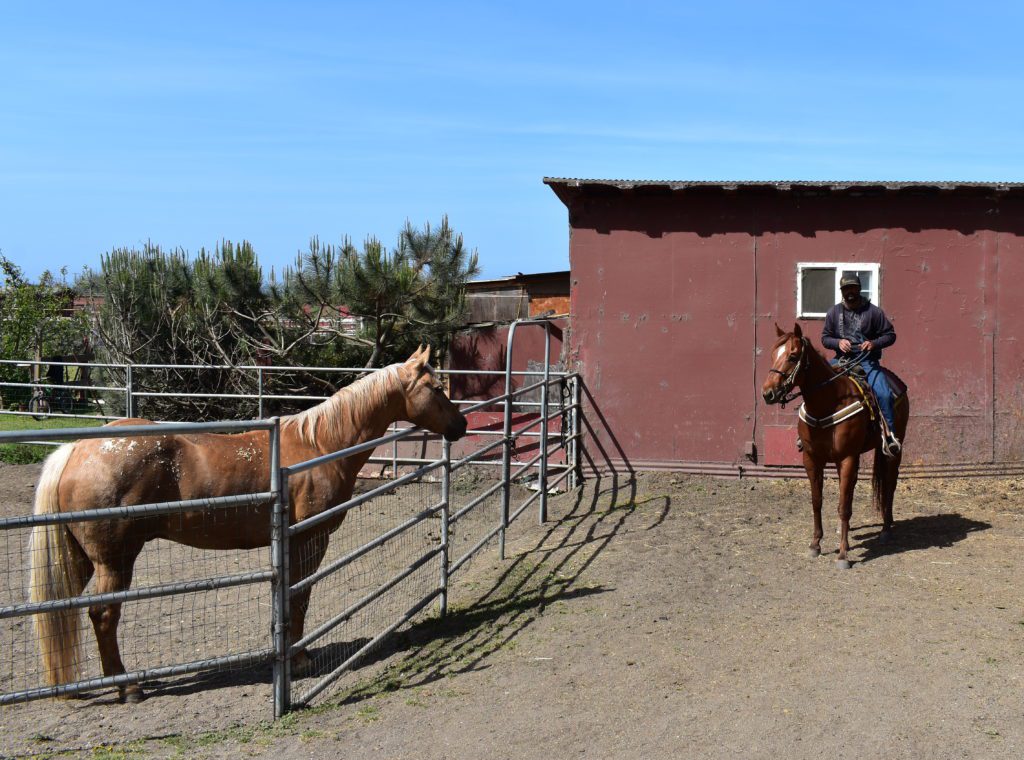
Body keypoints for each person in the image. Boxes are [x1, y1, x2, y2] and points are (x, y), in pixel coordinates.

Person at [821, 274, 901, 455]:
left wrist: (874, 343)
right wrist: (838, 343)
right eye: (846, 289)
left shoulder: (874, 312)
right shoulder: (833, 312)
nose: (850, 292)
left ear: (859, 289)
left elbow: (890, 335)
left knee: (884, 393)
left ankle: (889, 435)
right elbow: (825, 338)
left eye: (853, 288)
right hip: (841, 360)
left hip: (867, 361)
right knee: (818, 383)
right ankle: (808, 432)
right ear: (842, 291)